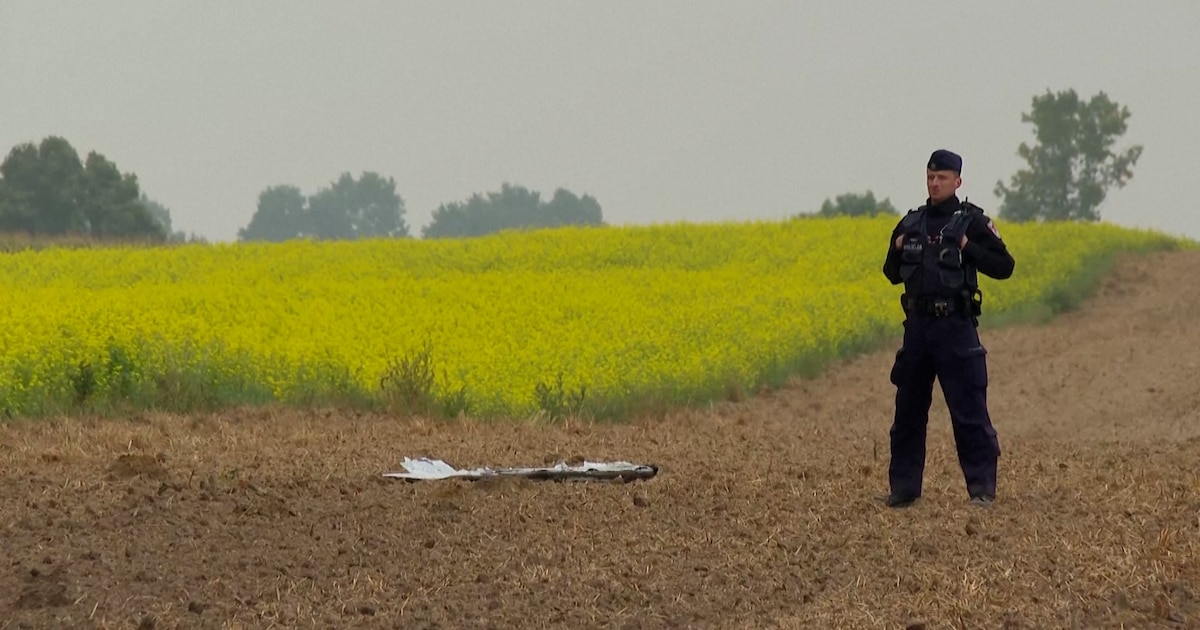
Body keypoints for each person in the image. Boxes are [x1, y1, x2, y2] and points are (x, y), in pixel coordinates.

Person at [878, 149, 1015, 508]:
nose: (934, 183)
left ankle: (982, 489)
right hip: (919, 329)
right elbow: (891, 273)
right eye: (930, 177)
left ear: (957, 181)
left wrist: (969, 248)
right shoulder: (910, 223)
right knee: (907, 413)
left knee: (969, 413)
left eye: (942, 178)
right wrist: (896, 249)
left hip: (956, 327)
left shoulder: (971, 222)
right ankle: (904, 489)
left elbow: (1004, 266)